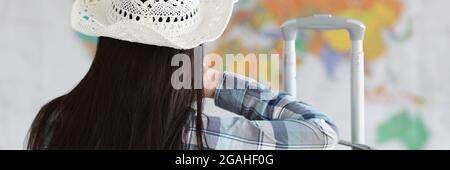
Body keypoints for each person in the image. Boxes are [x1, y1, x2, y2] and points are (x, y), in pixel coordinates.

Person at [27, 0, 338, 150]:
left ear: (109, 46)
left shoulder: (55, 120)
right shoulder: (203, 139)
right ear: (184, 57)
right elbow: (320, 134)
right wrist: (217, 84)